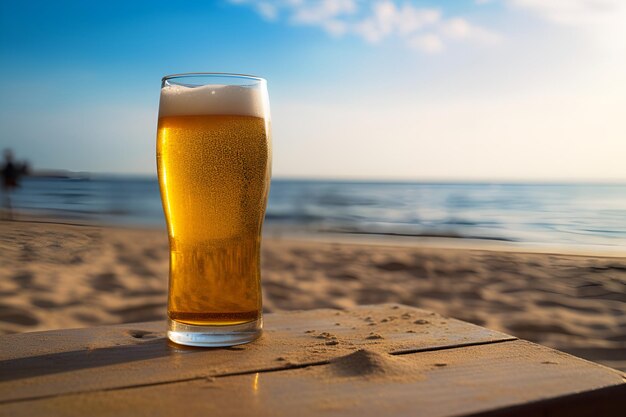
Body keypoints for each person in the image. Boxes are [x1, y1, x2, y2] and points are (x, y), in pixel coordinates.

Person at [1, 149, 21, 219]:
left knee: (8, 199)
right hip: (8, 183)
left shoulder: (9, 165)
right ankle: (10, 215)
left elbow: (9, 174)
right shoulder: (9, 165)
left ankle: (11, 215)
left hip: (8, 183)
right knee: (8, 199)